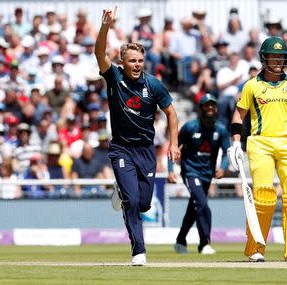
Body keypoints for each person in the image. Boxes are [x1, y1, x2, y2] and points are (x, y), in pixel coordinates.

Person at [94, 6, 180, 266]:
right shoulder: (114, 77)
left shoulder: (152, 84)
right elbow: (99, 53)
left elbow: (172, 113)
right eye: (132, 61)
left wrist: (174, 143)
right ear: (123, 62)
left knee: (143, 203)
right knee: (131, 202)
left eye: (140, 61)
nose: (136, 65)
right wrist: (106, 27)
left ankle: (122, 192)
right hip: (121, 149)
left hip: (146, 150)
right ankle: (138, 251)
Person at [227, 36, 287, 262]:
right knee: (263, 196)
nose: (278, 61)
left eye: (281, 56)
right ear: (264, 58)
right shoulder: (252, 85)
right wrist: (234, 143)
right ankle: (255, 249)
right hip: (260, 144)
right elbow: (238, 114)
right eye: (274, 56)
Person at [167, 94, 230, 255]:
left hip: (207, 174)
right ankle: (204, 244)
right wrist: (170, 169)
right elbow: (174, 146)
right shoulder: (190, 127)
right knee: (202, 205)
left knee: (194, 208)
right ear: (201, 108)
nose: (210, 108)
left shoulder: (221, 129)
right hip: (190, 171)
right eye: (206, 105)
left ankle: (180, 241)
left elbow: (226, 152)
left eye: (212, 105)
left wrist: (223, 167)